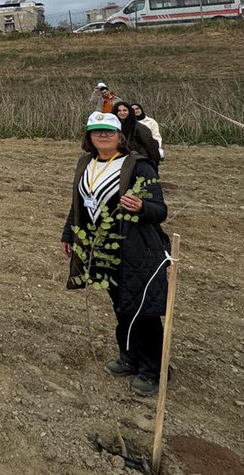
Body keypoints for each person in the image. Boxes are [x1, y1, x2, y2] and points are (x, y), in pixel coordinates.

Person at [61, 111, 170, 397]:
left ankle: (154, 369)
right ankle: (129, 356)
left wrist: (141, 207)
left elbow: (161, 211)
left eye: (108, 132)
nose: (102, 136)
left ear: (120, 135)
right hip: (103, 249)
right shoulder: (86, 163)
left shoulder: (138, 167)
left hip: (136, 248)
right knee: (121, 305)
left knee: (142, 310)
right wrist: (69, 233)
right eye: (96, 132)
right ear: (89, 136)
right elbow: (79, 203)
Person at [111, 101, 161, 167]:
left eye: (125, 110)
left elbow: (150, 145)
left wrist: (154, 163)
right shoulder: (113, 127)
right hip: (118, 161)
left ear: (129, 111)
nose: (122, 113)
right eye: (119, 111)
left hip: (138, 161)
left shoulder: (139, 127)